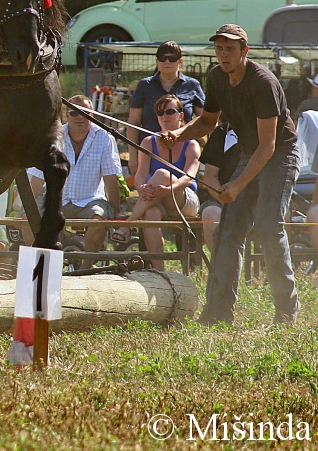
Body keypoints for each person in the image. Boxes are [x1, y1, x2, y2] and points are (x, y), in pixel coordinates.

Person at [159, 24, 300, 325]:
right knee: (227, 230)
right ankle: (217, 314)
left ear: (244, 51)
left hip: (280, 155)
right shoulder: (216, 78)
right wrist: (180, 134)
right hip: (251, 152)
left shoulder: (262, 82)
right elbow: (207, 123)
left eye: (230, 49)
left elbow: (269, 145)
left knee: (267, 225)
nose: (223, 54)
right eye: (219, 48)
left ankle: (286, 313)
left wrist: (236, 184)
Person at [23, 94, 122, 264]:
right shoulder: (52, 137)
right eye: (74, 113)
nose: (80, 117)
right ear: (66, 115)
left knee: (99, 222)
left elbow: (110, 178)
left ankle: (84, 271)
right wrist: (28, 208)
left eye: (85, 112)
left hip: (91, 200)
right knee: (27, 220)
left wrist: (117, 211)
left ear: (93, 115)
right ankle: (42, 267)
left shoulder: (105, 138)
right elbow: (37, 180)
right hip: (55, 200)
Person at [117, 95, 200, 270]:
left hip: (184, 200)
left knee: (162, 173)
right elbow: (140, 175)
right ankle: (159, 271)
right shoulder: (148, 142)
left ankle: (128, 224)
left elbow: (188, 178)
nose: (165, 116)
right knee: (150, 214)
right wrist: (142, 188)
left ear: (181, 115)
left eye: (170, 111)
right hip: (157, 199)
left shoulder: (191, 144)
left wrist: (167, 191)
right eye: (160, 112)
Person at [126, 41, 205, 177]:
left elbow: (205, 119)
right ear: (157, 61)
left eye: (172, 58)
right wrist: (133, 155)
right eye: (162, 58)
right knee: (150, 191)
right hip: (150, 152)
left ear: (180, 61)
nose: (167, 62)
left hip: (183, 152)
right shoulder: (145, 85)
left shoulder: (192, 85)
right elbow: (133, 122)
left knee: (180, 190)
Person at [197, 116, 240, 251]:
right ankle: (220, 268)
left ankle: (271, 268)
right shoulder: (222, 132)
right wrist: (226, 200)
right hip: (221, 199)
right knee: (210, 214)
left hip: (257, 199)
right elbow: (209, 177)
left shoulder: (266, 129)